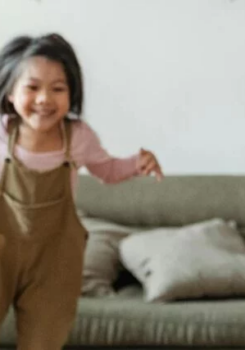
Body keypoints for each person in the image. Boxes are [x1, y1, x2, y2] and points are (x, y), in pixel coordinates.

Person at [0, 33, 163, 349]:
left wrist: (137, 163)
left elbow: (108, 171)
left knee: (43, 340)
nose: (45, 98)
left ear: (72, 93)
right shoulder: (2, 131)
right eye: (32, 87)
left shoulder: (78, 137)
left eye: (57, 88)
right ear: (9, 94)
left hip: (54, 261)